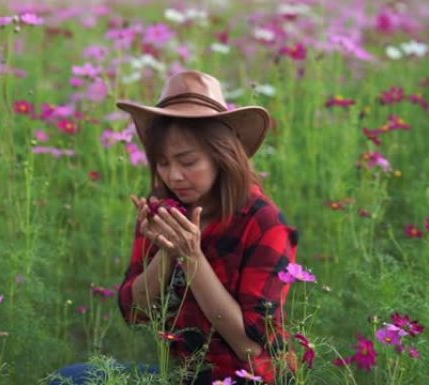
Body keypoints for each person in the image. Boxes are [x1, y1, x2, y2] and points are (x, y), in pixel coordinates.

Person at [116, 70, 299, 384]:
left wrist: (192, 258)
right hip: (181, 374)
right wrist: (167, 253)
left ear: (222, 157)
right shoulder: (164, 210)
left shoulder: (264, 223)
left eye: (188, 162)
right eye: (162, 163)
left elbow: (251, 348)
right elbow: (136, 313)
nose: (173, 177)